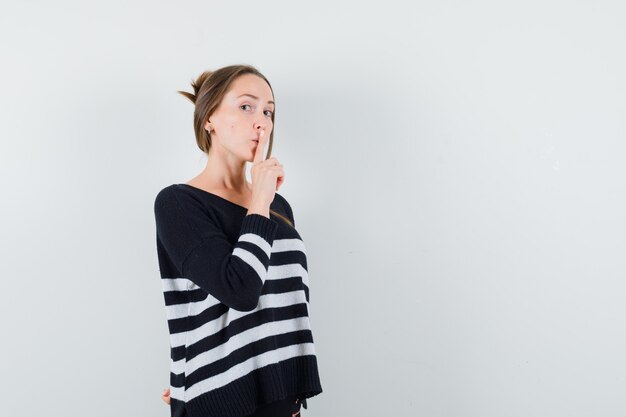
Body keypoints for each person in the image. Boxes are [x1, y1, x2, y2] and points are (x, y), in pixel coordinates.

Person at [153, 64, 323, 417]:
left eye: (268, 111)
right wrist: (259, 200)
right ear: (209, 117)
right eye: (246, 106)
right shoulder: (179, 203)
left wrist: (290, 397)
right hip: (220, 401)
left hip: (278, 399)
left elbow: (286, 305)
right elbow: (240, 290)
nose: (261, 121)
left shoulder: (279, 208)